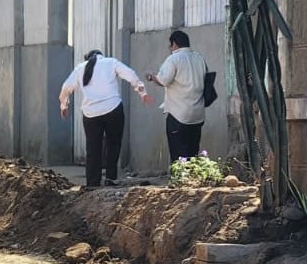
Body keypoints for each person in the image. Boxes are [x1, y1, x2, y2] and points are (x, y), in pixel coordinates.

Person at [60, 50, 153, 188]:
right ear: (100, 55)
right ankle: (110, 178)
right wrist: (142, 93)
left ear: (87, 58)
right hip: (113, 109)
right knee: (113, 144)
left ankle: (92, 182)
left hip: (90, 113)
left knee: (93, 148)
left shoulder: (80, 68)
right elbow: (131, 75)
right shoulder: (111, 62)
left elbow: (66, 87)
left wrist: (64, 104)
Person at [146, 29, 208, 162]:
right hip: (197, 114)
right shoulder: (199, 58)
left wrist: (152, 77)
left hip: (178, 115)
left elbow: (163, 80)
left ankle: (180, 179)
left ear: (174, 44)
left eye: (170, 45)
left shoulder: (174, 59)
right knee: (193, 151)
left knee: (178, 153)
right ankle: (193, 178)